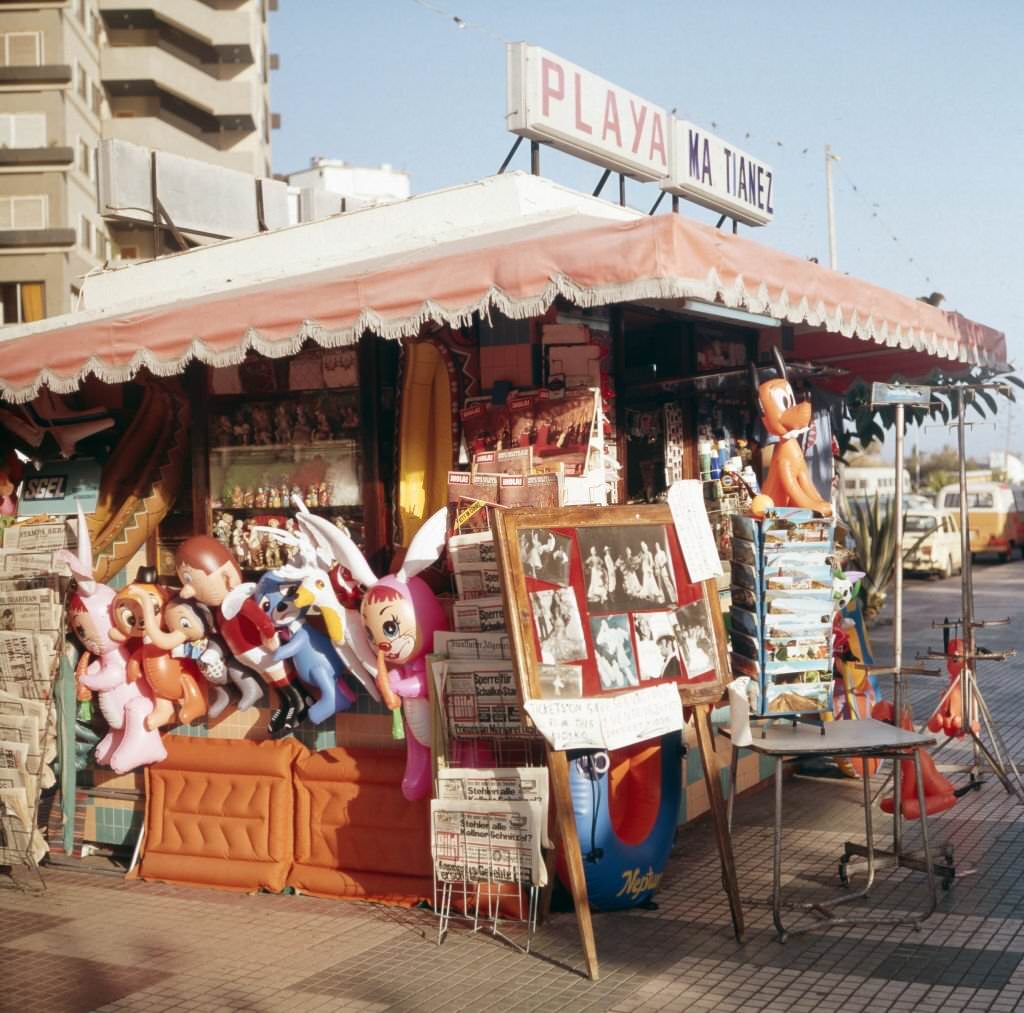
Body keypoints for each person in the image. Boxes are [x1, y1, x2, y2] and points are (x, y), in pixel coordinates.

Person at [174, 536, 305, 736]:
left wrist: (269, 636)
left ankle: (297, 704)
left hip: (261, 650)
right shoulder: (219, 609)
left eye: (191, 581)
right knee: (272, 680)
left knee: (281, 677)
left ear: (227, 577)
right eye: (185, 581)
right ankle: (289, 703)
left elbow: (262, 620)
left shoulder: (239, 600)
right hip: (249, 655)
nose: (187, 590)